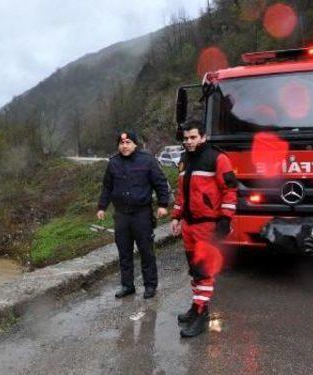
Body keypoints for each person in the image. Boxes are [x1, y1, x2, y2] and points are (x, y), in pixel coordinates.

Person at [170, 120, 238, 337]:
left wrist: (225, 219)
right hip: (189, 225)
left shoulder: (217, 158)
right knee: (194, 270)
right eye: (186, 138)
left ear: (203, 137)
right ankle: (196, 307)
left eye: (193, 137)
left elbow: (230, 190)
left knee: (204, 271)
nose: (189, 142)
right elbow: (182, 194)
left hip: (207, 225)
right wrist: (176, 216)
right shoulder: (184, 160)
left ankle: (201, 315)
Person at [97, 131, 170, 299]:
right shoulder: (113, 163)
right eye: (121, 143)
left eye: (128, 142)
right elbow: (107, 187)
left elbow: (160, 182)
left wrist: (162, 204)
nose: (124, 146)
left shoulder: (147, 160)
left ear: (135, 144)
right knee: (124, 253)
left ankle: (150, 285)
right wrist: (102, 207)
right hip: (121, 215)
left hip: (141, 214)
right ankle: (127, 285)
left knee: (146, 251)